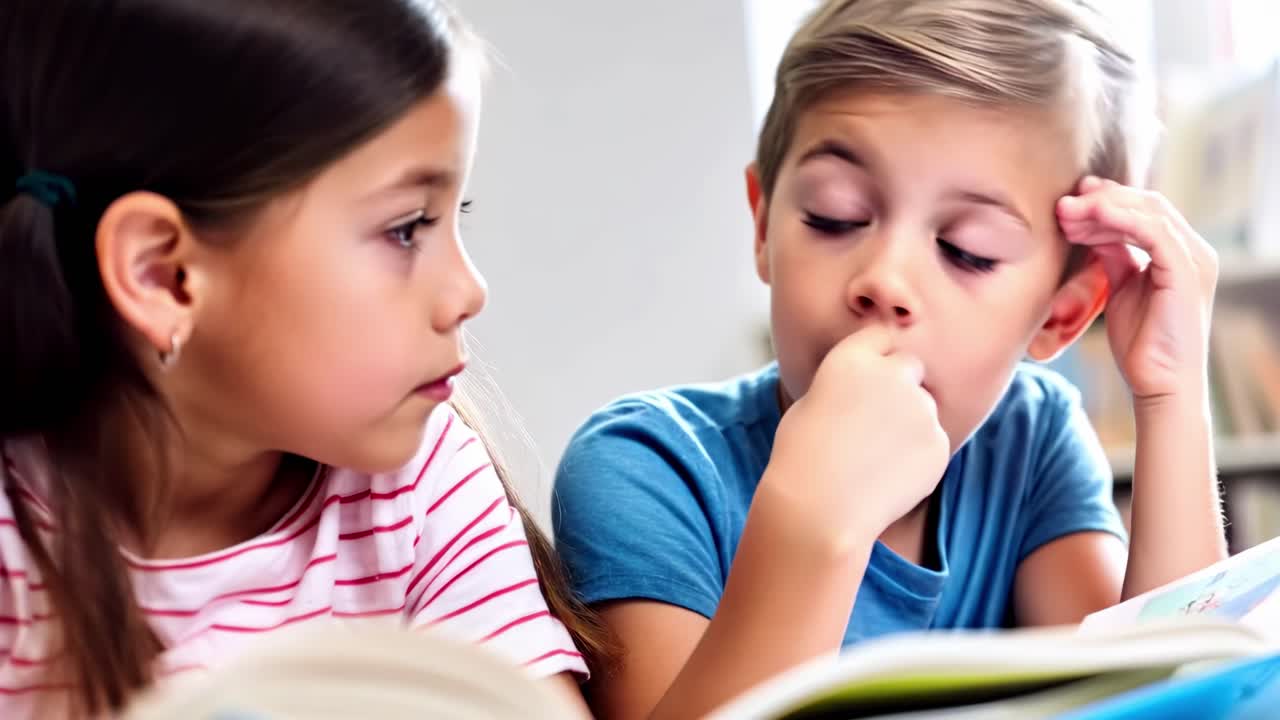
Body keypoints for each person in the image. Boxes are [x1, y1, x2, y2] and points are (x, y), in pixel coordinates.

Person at [551, 1, 1225, 718]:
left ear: (1060, 313)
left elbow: (1171, 695)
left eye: (969, 250)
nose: (886, 279)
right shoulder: (648, 467)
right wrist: (814, 521)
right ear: (763, 225)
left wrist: (1171, 395)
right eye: (834, 216)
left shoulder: (1030, 442)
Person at [0, 1, 607, 716]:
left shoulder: (420, 489)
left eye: (454, 217)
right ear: (163, 275)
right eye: (407, 228)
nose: (469, 292)